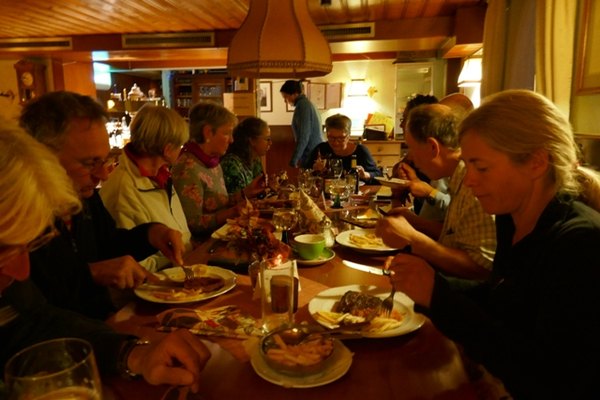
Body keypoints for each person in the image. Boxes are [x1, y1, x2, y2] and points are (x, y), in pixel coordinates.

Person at [380, 90, 600, 399]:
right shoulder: (512, 218)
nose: (469, 180)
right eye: (467, 165)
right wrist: (430, 286)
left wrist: (438, 296)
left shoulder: (580, 243)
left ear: (536, 162)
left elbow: (546, 377)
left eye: (481, 167)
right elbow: (504, 298)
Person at [0, 122, 210, 392]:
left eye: (26, 246)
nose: (23, 271)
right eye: (3, 250)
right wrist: (91, 273)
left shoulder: (78, 200)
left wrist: (131, 354)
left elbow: (36, 323)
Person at [19, 91, 186, 319]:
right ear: (41, 157)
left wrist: (151, 234)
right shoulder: (17, 216)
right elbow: (32, 306)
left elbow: (108, 243)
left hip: (103, 323)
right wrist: (93, 273)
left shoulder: (82, 197)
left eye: (104, 160)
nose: (103, 175)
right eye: (90, 163)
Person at [377, 103, 496, 280]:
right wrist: (415, 222)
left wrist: (413, 239)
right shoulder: (456, 176)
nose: (411, 158)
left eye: (411, 148)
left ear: (433, 147)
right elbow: (456, 236)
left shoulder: (474, 185)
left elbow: (482, 269)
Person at [100, 104, 193, 272]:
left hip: (180, 270)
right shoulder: (123, 188)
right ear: (168, 149)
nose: (181, 150)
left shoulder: (160, 176)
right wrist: (177, 261)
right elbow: (130, 262)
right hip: (158, 282)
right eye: (180, 146)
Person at [172, 102, 264, 238]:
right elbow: (192, 224)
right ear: (208, 132)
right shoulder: (187, 168)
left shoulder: (212, 162)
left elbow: (218, 202)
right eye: (227, 133)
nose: (231, 140)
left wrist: (245, 193)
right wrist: (232, 212)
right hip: (204, 245)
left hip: (223, 236)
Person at [304, 113, 382, 184]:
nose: (336, 142)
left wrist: (365, 175)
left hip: (355, 192)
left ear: (349, 135)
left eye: (341, 138)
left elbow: (378, 175)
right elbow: (305, 173)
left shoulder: (361, 151)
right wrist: (314, 170)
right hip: (328, 192)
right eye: (331, 137)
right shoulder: (321, 149)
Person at [221, 117, 270, 195]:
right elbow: (232, 200)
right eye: (267, 139)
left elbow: (258, 194)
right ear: (252, 140)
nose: (270, 143)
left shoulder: (255, 161)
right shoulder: (231, 164)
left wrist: (270, 188)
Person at [280, 80, 324, 168]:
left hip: (310, 154)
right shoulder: (307, 104)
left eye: (286, 97)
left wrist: (295, 159)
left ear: (295, 94)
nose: (285, 101)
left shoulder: (303, 106)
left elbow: (304, 136)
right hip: (314, 152)